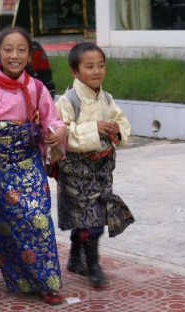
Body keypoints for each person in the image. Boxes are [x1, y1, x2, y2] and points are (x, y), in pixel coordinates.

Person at [0, 27, 66, 305]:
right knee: (3, 219)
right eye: (8, 49)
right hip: (0, 166)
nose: (14, 55)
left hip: (30, 163)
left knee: (38, 218)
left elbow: (51, 120)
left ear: (29, 55)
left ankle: (46, 281)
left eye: (21, 50)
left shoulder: (37, 88)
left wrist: (56, 133)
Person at [54, 42, 135, 288]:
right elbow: (62, 132)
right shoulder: (67, 101)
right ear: (74, 71)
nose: (97, 71)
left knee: (89, 216)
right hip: (77, 172)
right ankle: (93, 265)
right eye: (89, 66)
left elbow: (122, 124)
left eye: (101, 65)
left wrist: (115, 131)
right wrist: (95, 128)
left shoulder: (107, 98)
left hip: (101, 170)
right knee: (92, 220)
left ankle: (74, 259)